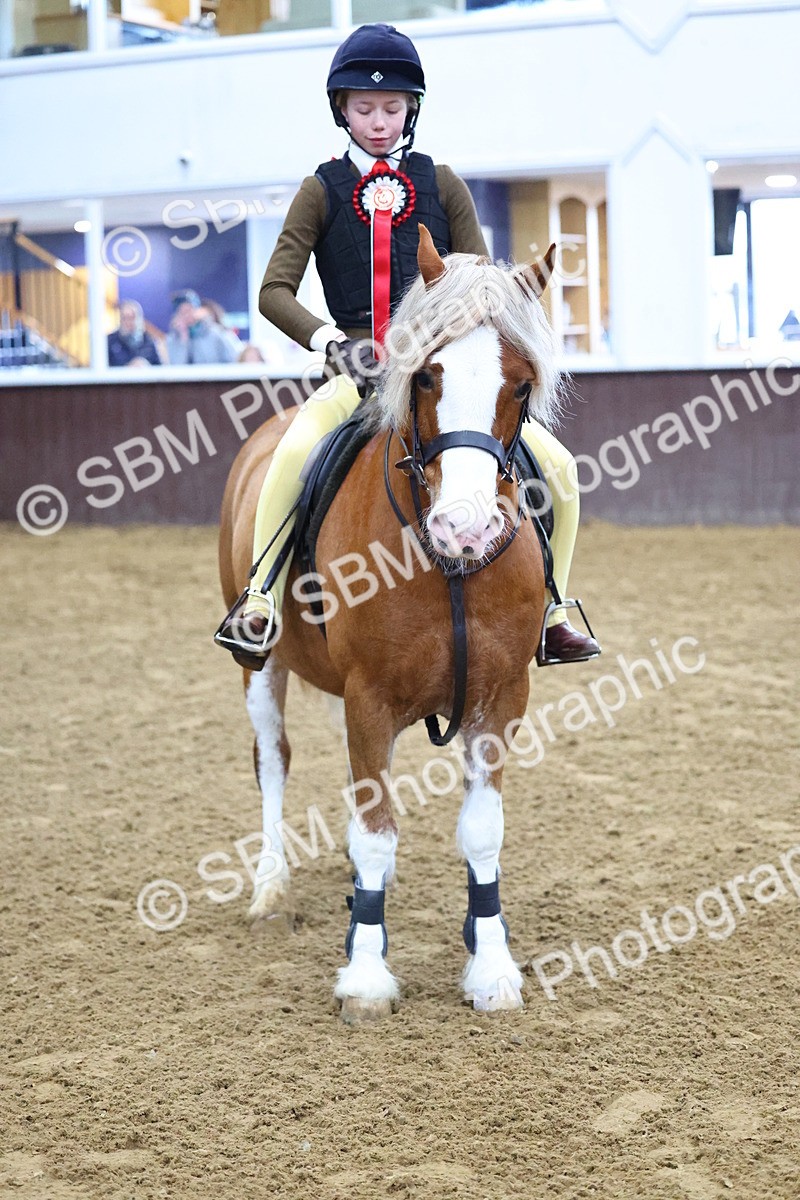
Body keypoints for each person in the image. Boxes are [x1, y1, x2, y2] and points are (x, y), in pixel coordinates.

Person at [216, 23, 599, 667]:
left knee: (558, 469)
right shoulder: (322, 189)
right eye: (364, 109)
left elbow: (481, 284)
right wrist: (332, 342)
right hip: (358, 373)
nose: (378, 121)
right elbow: (274, 291)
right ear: (341, 109)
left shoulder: (442, 183)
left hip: (440, 372)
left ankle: (554, 610)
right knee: (294, 454)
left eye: (392, 108)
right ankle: (258, 597)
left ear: (410, 109)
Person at [166, 289, 240, 364]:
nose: (187, 315)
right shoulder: (172, 339)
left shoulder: (217, 333)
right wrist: (183, 338)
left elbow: (235, 358)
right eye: (182, 312)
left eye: (189, 310)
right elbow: (176, 367)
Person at [107, 299, 162, 367]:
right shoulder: (110, 342)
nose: (128, 322)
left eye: (132, 318)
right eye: (125, 318)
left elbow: (159, 369)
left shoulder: (149, 341)